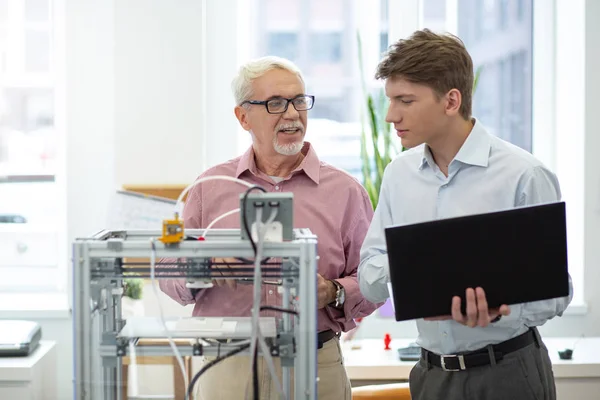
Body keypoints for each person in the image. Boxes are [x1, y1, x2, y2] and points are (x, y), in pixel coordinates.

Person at [357, 29, 573, 400]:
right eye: (390, 100)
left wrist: (499, 311)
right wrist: (416, 268)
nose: (391, 115)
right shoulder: (398, 174)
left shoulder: (524, 174)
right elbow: (369, 276)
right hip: (431, 377)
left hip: (508, 375)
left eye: (405, 100)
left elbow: (556, 293)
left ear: (451, 100)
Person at [160, 55, 380, 399]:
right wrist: (202, 268)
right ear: (243, 116)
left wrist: (333, 292)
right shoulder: (209, 186)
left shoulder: (346, 192)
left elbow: (375, 281)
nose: (292, 113)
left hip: (315, 363)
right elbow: (166, 270)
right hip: (226, 365)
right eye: (276, 103)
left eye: (298, 101)